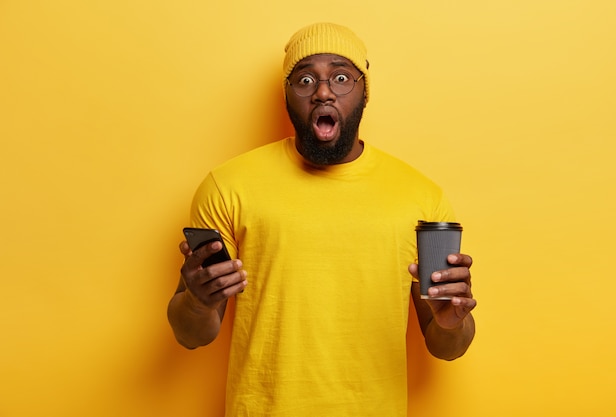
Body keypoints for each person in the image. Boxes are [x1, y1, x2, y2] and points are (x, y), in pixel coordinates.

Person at [167, 22, 476, 417]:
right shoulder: (227, 187)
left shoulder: (421, 197)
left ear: (364, 93)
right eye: (305, 79)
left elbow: (447, 347)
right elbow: (191, 335)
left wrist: (451, 323)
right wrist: (196, 302)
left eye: (341, 77)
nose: (323, 91)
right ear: (287, 96)